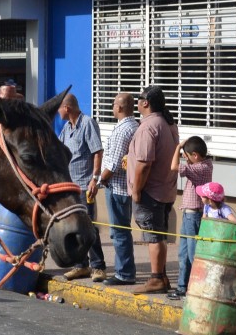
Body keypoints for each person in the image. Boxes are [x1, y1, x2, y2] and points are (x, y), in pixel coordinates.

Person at [127, 86, 180, 294]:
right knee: (158, 235)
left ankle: (157, 278)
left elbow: (144, 163)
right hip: (165, 190)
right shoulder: (167, 123)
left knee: (153, 236)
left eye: (139, 99)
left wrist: (137, 190)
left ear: (146, 103)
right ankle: (162, 276)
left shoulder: (149, 127)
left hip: (151, 191)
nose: (137, 103)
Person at [57, 93, 106, 282]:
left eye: (60, 108)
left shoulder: (87, 123)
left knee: (89, 227)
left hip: (85, 185)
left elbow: (97, 151)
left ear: (67, 108)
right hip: (70, 187)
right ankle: (81, 265)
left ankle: (98, 266)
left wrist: (95, 178)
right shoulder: (67, 128)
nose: (58, 112)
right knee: (74, 228)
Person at [98, 93, 139, 286]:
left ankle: (124, 273)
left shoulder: (125, 129)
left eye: (114, 104)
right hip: (121, 187)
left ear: (120, 107)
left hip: (117, 188)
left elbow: (113, 163)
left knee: (119, 231)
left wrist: (99, 181)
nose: (112, 107)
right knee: (121, 230)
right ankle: (124, 270)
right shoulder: (132, 125)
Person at [168, 136, 213, 300]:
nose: (184, 158)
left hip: (194, 214)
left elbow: (174, 167)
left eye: (186, 156)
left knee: (193, 254)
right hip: (189, 213)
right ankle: (182, 287)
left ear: (195, 155)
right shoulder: (203, 164)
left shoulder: (201, 168)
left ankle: (197, 288)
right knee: (184, 253)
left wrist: (178, 147)